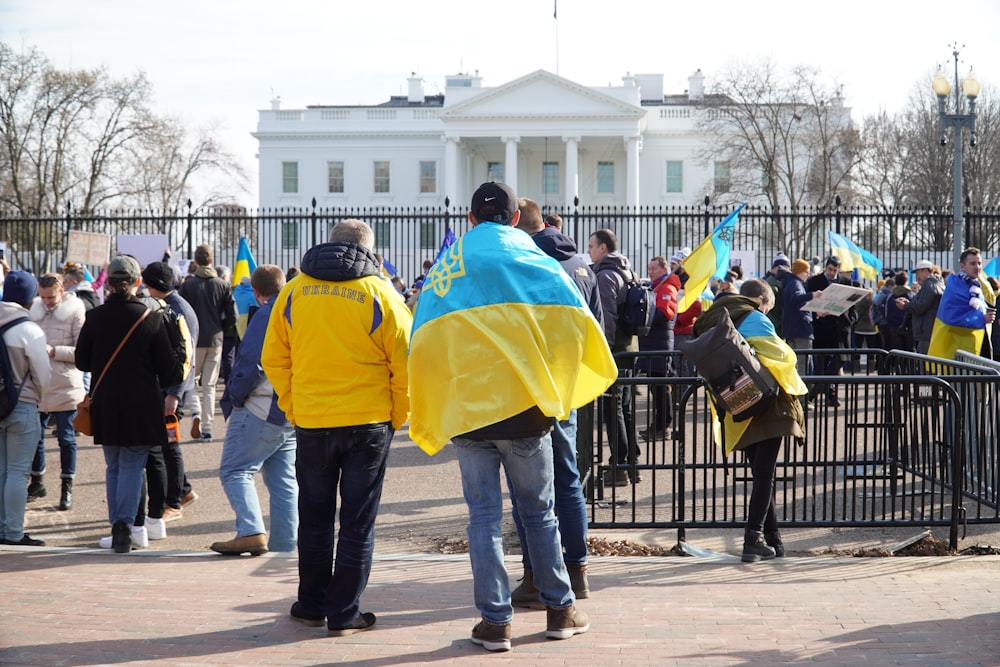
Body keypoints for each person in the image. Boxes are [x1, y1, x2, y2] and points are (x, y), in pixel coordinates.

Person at [408, 182, 615, 652]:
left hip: (468, 413)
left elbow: (423, 338)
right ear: (515, 218)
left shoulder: (448, 267)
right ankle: (561, 609)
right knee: (539, 513)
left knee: (482, 519)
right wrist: (553, 380)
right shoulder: (535, 261)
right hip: (526, 410)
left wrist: (437, 394)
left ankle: (495, 620)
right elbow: (577, 324)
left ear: (470, 218)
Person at [261, 219, 412, 636]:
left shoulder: (294, 290)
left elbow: (274, 358)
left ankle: (311, 603)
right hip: (368, 421)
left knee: (314, 518)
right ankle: (344, 612)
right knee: (357, 523)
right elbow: (405, 361)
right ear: (369, 248)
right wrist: (397, 415)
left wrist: (294, 406)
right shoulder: (380, 292)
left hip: (312, 419)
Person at [507, 197, 602, 608]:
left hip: (534, 386)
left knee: (528, 486)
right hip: (569, 385)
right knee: (567, 479)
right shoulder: (581, 263)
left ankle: (535, 575)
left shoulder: (530, 262)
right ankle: (577, 570)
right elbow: (599, 326)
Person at [693, 278, 807, 562]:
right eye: (768, 306)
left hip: (735, 406)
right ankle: (752, 539)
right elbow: (781, 356)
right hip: (766, 404)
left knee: (760, 476)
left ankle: (773, 539)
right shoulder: (755, 317)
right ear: (760, 300)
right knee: (765, 477)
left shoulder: (716, 318)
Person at [75, 255, 182, 553]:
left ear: (108, 283)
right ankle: (125, 526)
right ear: (137, 282)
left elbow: (82, 361)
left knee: (114, 466)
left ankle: (118, 525)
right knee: (134, 465)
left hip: (107, 400)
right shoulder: (151, 318)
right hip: (142, 404)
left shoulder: (95, 317)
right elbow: (170, 370)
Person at [212, 265, 297, 557]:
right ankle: (285, 546)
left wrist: (235, 397)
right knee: (283, 481)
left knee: (235, 470)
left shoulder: (266, 314)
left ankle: (250, 531)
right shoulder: (296, 309)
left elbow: (251, 362)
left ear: (258, 293)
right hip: (290, 408)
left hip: (261, 405)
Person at [141, 261, 200, 524]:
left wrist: (174, 394)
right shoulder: (173, 305)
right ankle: (183, 490)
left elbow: (185, 357)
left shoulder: (177, 310)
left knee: (169, 445)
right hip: (168, 388)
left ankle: (174, 502)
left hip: (172, 390)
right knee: (166, 444)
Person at [0, 271, 51, 546]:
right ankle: (13, 532)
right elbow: (43, 375)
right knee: (19, 473)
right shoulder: (28, 329)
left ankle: (0, 527)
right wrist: (38, 398)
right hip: (22, 405)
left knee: (1, 471)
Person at [588, 228, 642, 487]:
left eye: (591, 246)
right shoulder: (627, 271)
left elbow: (606, 318)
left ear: (603, 249)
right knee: (625, 408)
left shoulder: (606, 275)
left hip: (616, 351)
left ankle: (620, 465)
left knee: (613, 410)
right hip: (629, 348)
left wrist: (604, 351)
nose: (588, 251)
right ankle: (631, 462)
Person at [28, 273, 86, 511]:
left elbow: (83, 351)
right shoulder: (34, 309)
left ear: (61, 291)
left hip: (66, 385)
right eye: (43, 297)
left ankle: (67, 488)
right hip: (39, 383)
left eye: (51, 297)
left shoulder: (75, 310)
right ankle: (38, 481)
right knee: (35, 437)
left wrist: (56, 351)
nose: (47, 302)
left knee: (66, 439)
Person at [178, 244, 237, 440]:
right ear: (212, 260)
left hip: (193, 339)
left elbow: (181, 313)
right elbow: (232, 316)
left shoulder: (188, 285)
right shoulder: (222, 284)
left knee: (192, 382)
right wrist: (222, 328)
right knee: (210, 385)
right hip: (215, 338)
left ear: (195, 261)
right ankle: (207, 426)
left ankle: (195, 412)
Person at [635, 256, 679, 442]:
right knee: (657, 388)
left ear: (664, 269)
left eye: (653, 268)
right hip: (654, 343)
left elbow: (664, 314)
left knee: (661, 389)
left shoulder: (666, 288)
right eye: (649, 268)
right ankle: (658, 426)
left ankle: (664, 427)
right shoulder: (656, 287)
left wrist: (644, 313)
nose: (650, 272)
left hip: (659, 345)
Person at [928, 247, 997, 360]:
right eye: (972, 263)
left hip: (972, 347)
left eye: (979, 263)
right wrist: (982, 319)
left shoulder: (974, 285)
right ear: (962, 266)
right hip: (954, 350)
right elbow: (952, 318)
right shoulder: (956, 287)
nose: (977, 267)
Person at [806, 256, 857, 405]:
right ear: (825, 267)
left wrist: (850, 320)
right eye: (830, 269)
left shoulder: (846, 282)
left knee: (839, 361)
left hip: (841, 329)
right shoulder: (814, 282)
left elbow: (853, 307)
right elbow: (808, 304)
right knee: (821, 363)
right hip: (822, 329)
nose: (832, 273)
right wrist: (817, 313)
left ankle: (819, 390)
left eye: (835, 270)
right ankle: (830, 395)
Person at [782, 259, 820, 379]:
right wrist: (812, 295)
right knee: (803, 366)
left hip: (791, 329)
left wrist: (816, 311)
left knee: (795, 364)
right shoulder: (796, 283)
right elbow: (796, 298)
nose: (808, 275)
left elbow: (798, 305)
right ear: (800, 271)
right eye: (806, 272)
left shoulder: (789, 282)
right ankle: (802, 397)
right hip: (801, 329)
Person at [902, 260, 944, 355]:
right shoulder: (937, 283)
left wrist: (905, 305)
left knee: (925, 364)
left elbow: (920, 307)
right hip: (930, 330)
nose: (917, 277)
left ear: (925, 271)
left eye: (918, 273)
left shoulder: (929, 285)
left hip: (926, 332)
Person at [881, 272, 915, 352]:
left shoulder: (889, 296)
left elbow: (885, 312)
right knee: (910, 352)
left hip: (893, 327)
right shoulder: (912, 295)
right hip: (909, 327)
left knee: (897, 352)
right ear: (906, 281)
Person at [765, 254, 790, 337]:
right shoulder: (772, 284)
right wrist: (778, 323)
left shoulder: (778, 282)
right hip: (774, 324)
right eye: (783, 266)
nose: (785, 269)